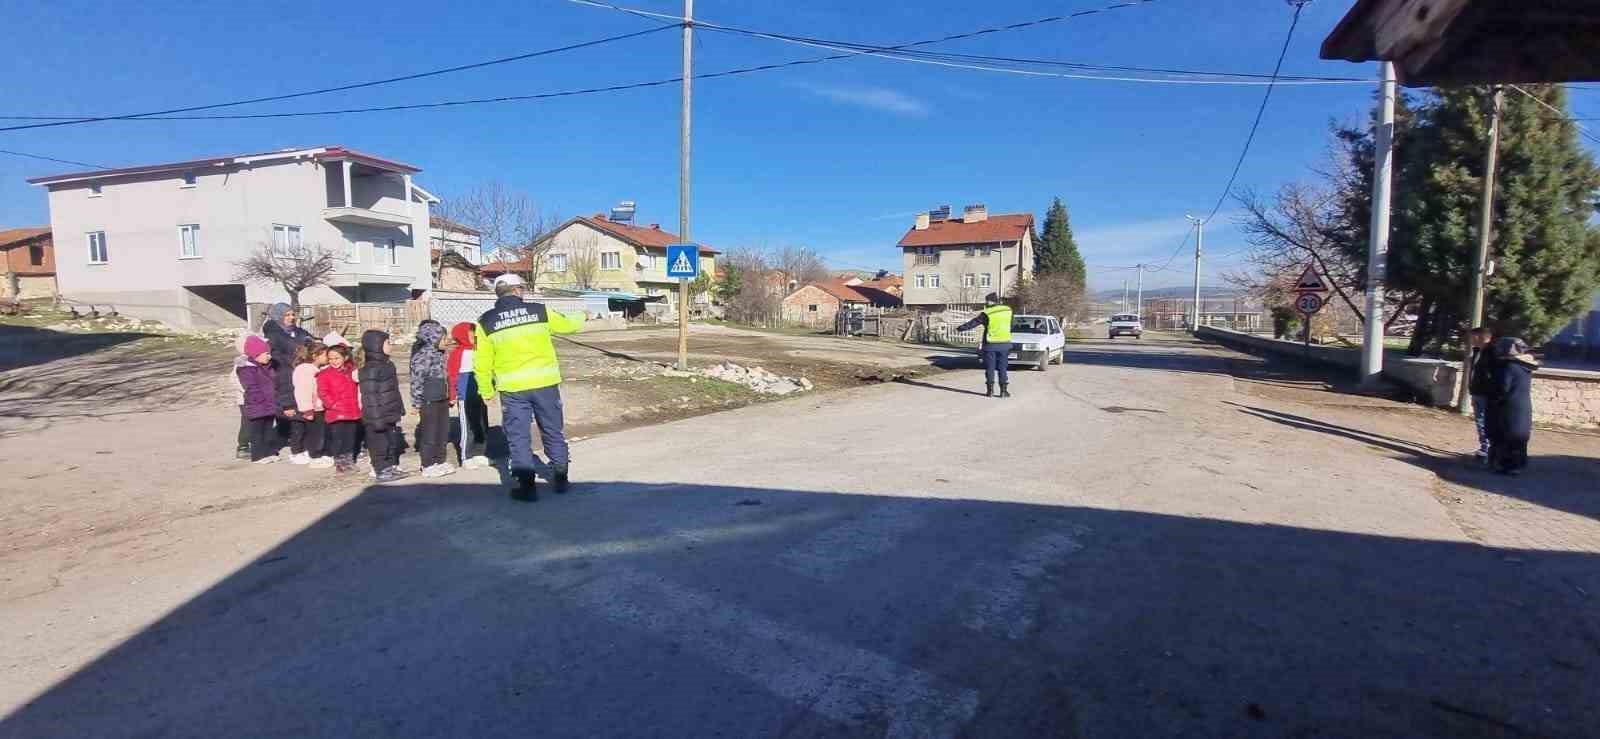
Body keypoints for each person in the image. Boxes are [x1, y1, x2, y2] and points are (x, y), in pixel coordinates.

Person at [475, 274, 585, 501]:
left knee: (518, 437)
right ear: (516, 290)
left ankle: (527, 487)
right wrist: (583, 315)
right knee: (553, 430)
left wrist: (486, 391)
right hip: (545, 384)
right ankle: (561, 477)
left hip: (513, 389)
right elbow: (568, 325)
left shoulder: (485, 321)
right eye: (522, 288)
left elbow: (482, 362)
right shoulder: (540, 311)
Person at [358, 329, 409, 482]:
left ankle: (390, 466)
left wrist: (399, 408)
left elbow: (394, 390)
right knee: (378, 444)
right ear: (376, 345)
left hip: (389, 412)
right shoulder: (370, 369)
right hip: (376, 416)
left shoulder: (388, 365)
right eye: (387, 342)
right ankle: (380, 469)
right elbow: (370, 397)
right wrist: (376, 418)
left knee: (390, 441)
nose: (391, 345)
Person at [409, 320, 456, 479]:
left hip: (441, 398)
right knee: (430, 432)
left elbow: (446, 377)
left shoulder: (442, 354)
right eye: (443, 339)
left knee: (442, 431)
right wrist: (416, 402)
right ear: (432, 339)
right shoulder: (422, 356)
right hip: (428, 400)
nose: (446, 341)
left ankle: (439, 460)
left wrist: (450, 395)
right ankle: (427, 464)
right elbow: (417, 380)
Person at [262, 303, 312, 446]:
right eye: (287, 315)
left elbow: (308, 340)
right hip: (284, 371)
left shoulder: (298, 331)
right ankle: (282, 437)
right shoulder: (273, 333)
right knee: (286, 406)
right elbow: (275, 353)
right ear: (279, 316)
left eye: (292, 314)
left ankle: (296, 435)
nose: (292, 318)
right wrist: (293, 361)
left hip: (300, 369)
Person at [1487, 337, 1539, 476]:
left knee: (1506, 435)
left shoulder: (1508, 366)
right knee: (1518, 436)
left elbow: (1502, 388)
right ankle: (1517, 465)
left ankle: (1506, 465)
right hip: (1522, 405)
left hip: (1509, 407)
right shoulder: (1524, 366)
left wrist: (1493, 398)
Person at [448, 321, 491, 469]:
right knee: (467, 426)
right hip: (465, 397)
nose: (474, 335)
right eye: (470, 333)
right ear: (462, 336)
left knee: (482, 424)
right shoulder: (457, 354)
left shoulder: (481, 350)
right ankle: (467, 456)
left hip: (481, 395)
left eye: (475, 332)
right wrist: (453, 394)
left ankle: (480, 453)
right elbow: (452, 376)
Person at [956, 293, 1015, 398]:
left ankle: (990, 391)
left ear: (991, 301)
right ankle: (1003, 391)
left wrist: (960, 328)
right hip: (1005, 344)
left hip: (990, 344)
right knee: (1002, 368)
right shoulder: (1008, 310)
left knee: (990, 368)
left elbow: (974, 323)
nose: (986, 303)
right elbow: (1011, 324)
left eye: (987, 301)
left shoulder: (987, 313)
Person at [318, 345, 363, 473]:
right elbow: (323, 392)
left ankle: (348, 460)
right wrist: (333, 404)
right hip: (336, 413)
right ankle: (340, 462)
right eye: (330, 358)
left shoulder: (351, 372)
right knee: (338, 438)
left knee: (350, 437)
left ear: (345, 357)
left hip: (352, 410)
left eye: (337, 358)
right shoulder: (324, 374)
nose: (334, 361)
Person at [290, 341, 333, 468]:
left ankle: (320, 453)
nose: (328, 358)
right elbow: (303, 391)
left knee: (321, 432)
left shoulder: (317, 369)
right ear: (315, 355)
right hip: (312, 408)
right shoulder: (305, 370)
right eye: (325, 355)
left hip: (320, 406)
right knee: (314, 434)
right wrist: (307, 409)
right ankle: (314, 456)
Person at [237, 336, 280, 464]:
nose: (269, 356)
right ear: (256, 354)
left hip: (270, 403)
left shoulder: (268, 366)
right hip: (257, 405)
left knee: (268, 430)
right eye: (266, 353)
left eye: (269, 353)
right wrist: (259, 400)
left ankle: (268, 452)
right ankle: (257, 455)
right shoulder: (247, 369)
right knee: (257, 432)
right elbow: (251, 387)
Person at [1467, 326, 1497, 462]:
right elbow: (1474, 373)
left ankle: (1487, 449)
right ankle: (1484, 447)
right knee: (1480, 421)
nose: (1471, 340)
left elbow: (1490, 376)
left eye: (1472, 337)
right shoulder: (1478, 352)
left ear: (1479, 337)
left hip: (1485, 394)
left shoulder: (1492, 353)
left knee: (1484, 421)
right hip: (1477, 392)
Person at [230, 334, 253, 459]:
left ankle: (257, 442)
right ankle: (243, 446)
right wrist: (247, 391)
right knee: (247, 421)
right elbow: (234, 379)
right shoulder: (241, 361)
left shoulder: (256, 359)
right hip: (245, 399)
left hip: (257, 397)